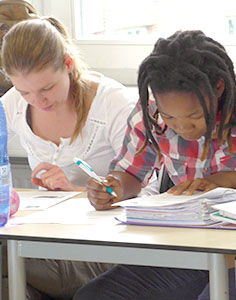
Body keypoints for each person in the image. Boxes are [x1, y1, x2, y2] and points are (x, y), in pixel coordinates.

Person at [73, 30, 236, 299]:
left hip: (232, 252)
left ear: (218, 88)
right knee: (95, 296)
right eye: (170, 116)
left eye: (195, 116)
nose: (183, 127)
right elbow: (129, 174)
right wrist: (113, 188)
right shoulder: (149, 114)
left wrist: (224, 180)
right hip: (188, 249)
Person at [0, 16, 137, 300]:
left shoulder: (113, 104)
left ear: (68, 64)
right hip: (43, 241)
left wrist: (76, 192)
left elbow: (149, 196)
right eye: (25, 91)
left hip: (106, 250)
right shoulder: (14, 102)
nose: (37, 101)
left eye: (46, 88)